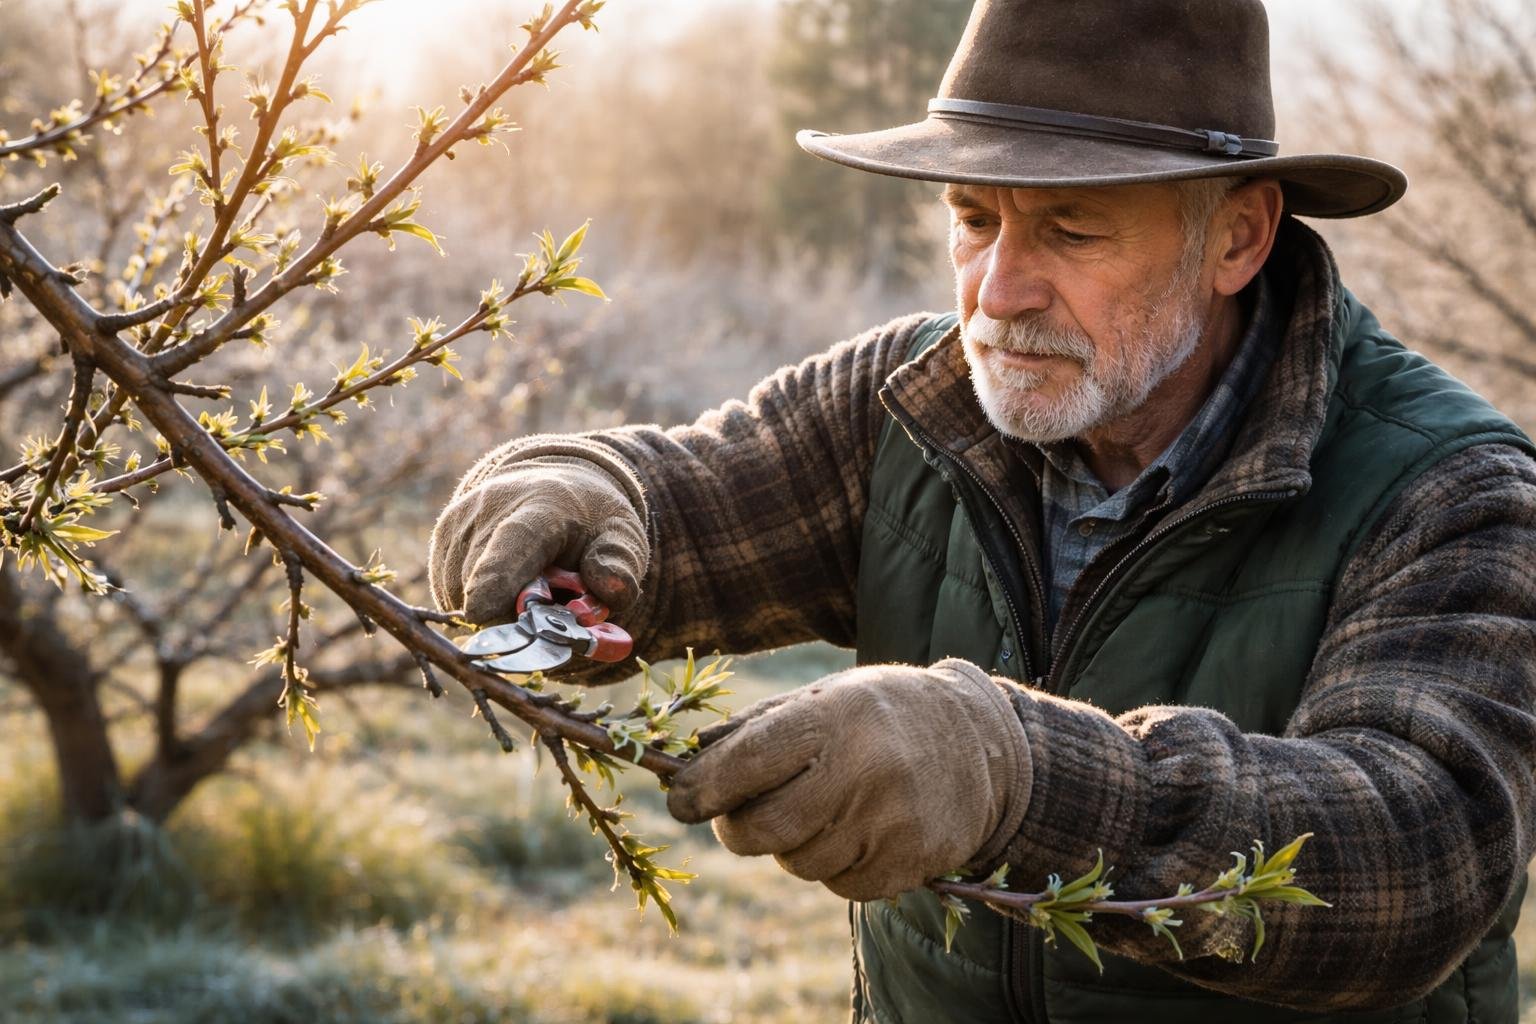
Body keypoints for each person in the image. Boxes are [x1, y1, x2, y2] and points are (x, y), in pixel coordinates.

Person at [428, 1, 1536, 1020]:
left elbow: (1414, 852)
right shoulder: (918, 403)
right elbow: (689, 498)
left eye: (1072, 230)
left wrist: (1015, 773)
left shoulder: (1453, 488)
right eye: (971, 218)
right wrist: (569, 484)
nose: (997, 292)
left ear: (1238, 238)